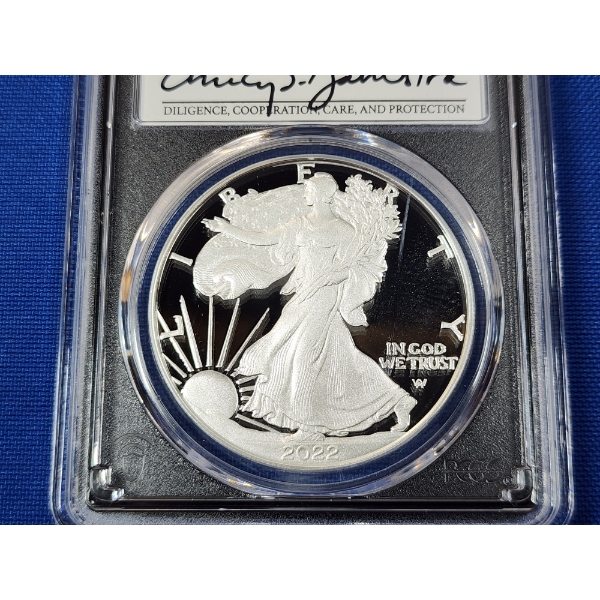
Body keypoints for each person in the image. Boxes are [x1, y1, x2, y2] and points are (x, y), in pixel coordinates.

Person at [202, 172, 416, 440]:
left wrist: (331, 277)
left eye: (310, 190)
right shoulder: (300, 224)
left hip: (324, 296)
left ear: (323, 195)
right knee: (338, 356)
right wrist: (227, 229)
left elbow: (353, 267)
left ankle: (309, 427)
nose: (305, 194)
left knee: (303, 355)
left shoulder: (344, 230)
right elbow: (265, 237)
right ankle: (398, 400)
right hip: (303, 294)